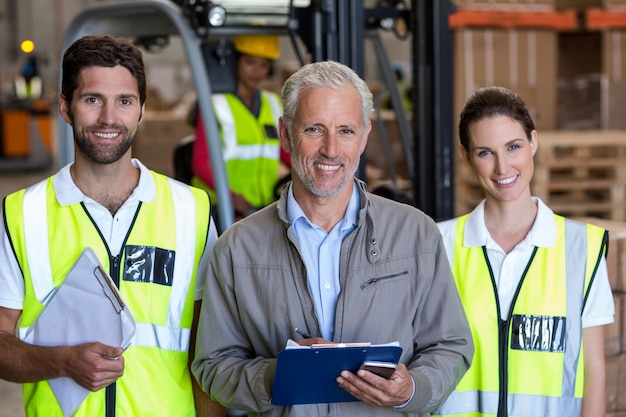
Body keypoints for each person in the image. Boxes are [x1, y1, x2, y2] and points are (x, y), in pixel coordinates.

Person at [191, 60, 474, 416]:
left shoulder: (416, 234)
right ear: (285, 133)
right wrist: (276, 376)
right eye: (313, 129)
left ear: (365, 136)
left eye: (346, 131)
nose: (330, 149)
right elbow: (213, 365)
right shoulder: (236, 248)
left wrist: (412, 389)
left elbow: (450, 345)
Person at [0, 34, 225, 417]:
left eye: (124, 101)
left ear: (140, 110)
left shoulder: (192, 211)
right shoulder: (22, 214)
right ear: (66, 107)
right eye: (92, 100)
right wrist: (63, 363)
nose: (109, 118)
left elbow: (207, 350)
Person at [434, 86, 615, 417]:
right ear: (466, 155)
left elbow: (594, 370)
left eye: (513, 147)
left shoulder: (581, 249)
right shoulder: (439, 244)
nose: (502, 168)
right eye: (485, 152)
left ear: (533, 141)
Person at [191, 34, 291, 220]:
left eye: (263, 65)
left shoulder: (273, 102)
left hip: (262, 207)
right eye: (250, 62)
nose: (256, 71)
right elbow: (200, 164)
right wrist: (231, 196)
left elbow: (284, 153)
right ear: (235, 62)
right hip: (222, 209)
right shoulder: (215, 104)